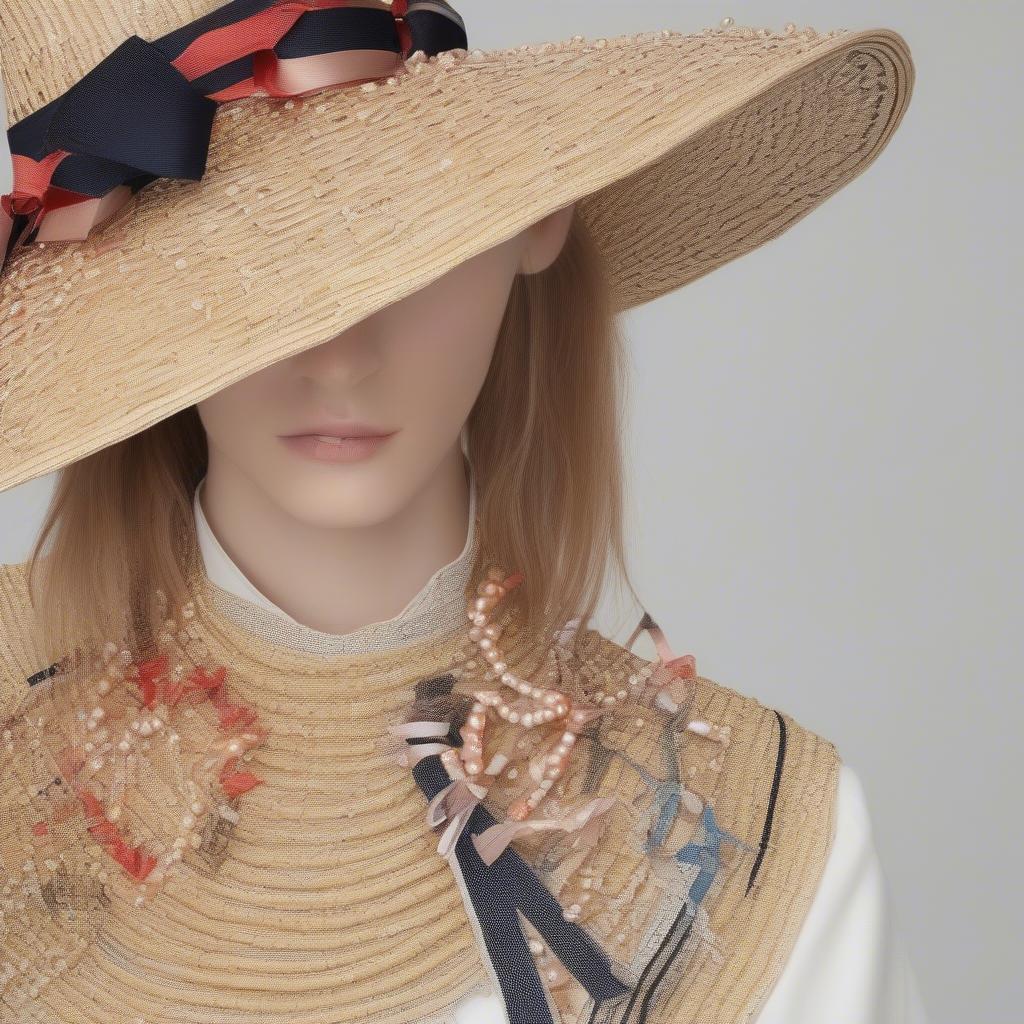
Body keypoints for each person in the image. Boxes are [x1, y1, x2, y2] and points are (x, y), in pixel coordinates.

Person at [0, 2, 926, 1022]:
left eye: (397, 240)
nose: (338, 353)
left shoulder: (768, 844)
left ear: (534, 218)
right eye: (240, 284)